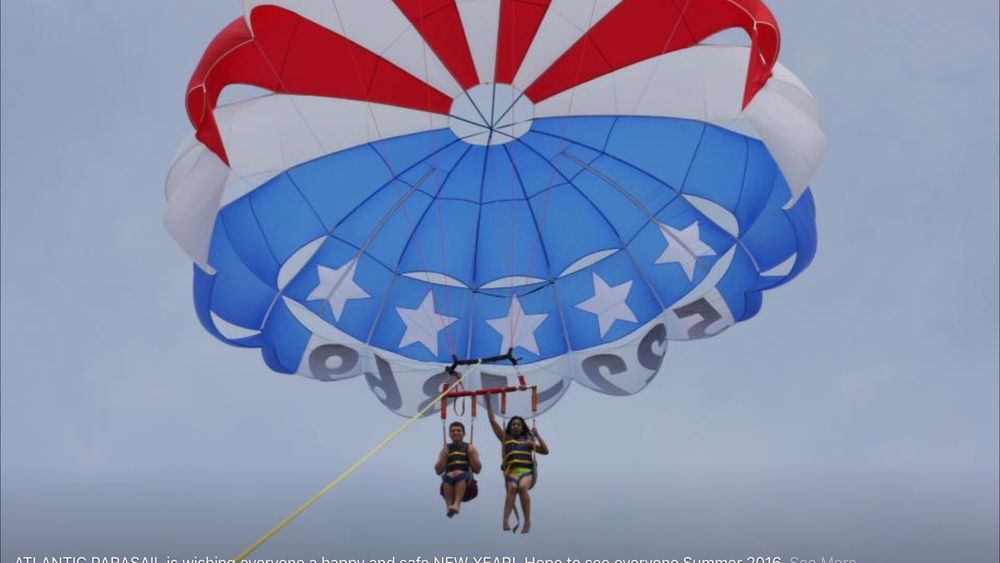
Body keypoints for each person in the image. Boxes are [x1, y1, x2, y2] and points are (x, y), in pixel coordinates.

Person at [485, 398, 549, 533]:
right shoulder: (505, 438)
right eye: (513, 424)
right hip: (512, 472)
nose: (515, 426)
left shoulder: (528, 441)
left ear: (522, 427)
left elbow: (545, 451)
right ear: (509, 426)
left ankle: (527, 521)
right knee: (513, 488)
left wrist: (537, 436)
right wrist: (488, 400)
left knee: (522, 488)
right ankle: (505, 520)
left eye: (519, 424)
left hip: (526, 472)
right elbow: (492, 421)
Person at [434, 421, 482, 518]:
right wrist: (444, 454)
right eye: (453, 431)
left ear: (464, 433)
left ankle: (456, 504)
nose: (455, 432)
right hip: (449, 481)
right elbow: (438, 470)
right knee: (449, 475)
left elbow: (477, 469)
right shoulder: (446, 448)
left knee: (457, 473)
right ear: (449, 434)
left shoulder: (469, 447)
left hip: (467, 482)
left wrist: (471, 453)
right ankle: (449, 506)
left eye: (458, 430)